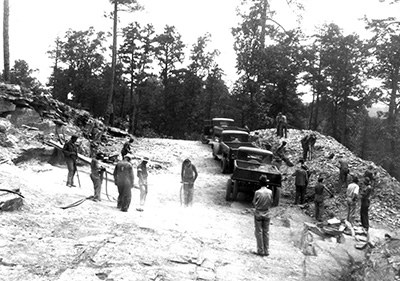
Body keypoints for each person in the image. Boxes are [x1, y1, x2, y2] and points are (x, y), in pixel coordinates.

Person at [252, 175, 274, 256]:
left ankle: (260, 250)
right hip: (267, 213)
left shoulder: (257, 192)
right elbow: (271, 202)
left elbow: (254, 203)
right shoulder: (270, 192)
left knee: (259, 232)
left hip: (258, 213)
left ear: (260, 183)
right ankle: (267, 251)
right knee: (266, 232)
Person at [360, 177, 373, 242]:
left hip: (365, 201)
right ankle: (364, 225)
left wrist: (362, 193)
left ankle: (365, 226)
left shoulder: (368, 187)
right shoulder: (367, 187)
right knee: (363, 213)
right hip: (365, 201)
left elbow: (365, 194)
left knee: (364, 213)